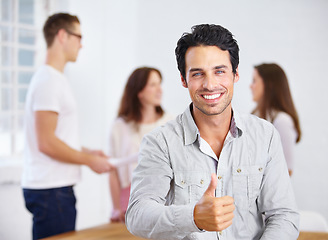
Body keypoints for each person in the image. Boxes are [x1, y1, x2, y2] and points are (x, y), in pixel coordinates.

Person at [125, 24, 299, 239]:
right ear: (183, 80)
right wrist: (193, 217)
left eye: (219, 71)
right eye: (198, 74)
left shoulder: (265, 135)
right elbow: (137, 215)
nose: (210, 84)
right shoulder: (160, 142)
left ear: (235, 74)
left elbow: (283, 215)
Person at [22, 13, 113, 240]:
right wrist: (90, 161)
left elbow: (55, 137)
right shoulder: (49, 80)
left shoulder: (54, 79)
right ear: (62, 35)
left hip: (53, 190)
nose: (81, 44)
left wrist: (87, 152)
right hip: (51, 191)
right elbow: (46, 143)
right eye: (78, 36)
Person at [108, 67, 173, 222]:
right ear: (139, 91)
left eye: (159, 84)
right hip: (129, 199)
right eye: (153, 85)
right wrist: (116, 207)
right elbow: (113, 170)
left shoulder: (170, 122)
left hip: (164, 199)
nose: (159, 90)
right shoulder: (120, 126)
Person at [250, 63, 301, 176]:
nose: (251, 86)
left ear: (269, 85)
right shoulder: (255, 117)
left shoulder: (282, 121)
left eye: (254, 81)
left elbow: (287, 170)